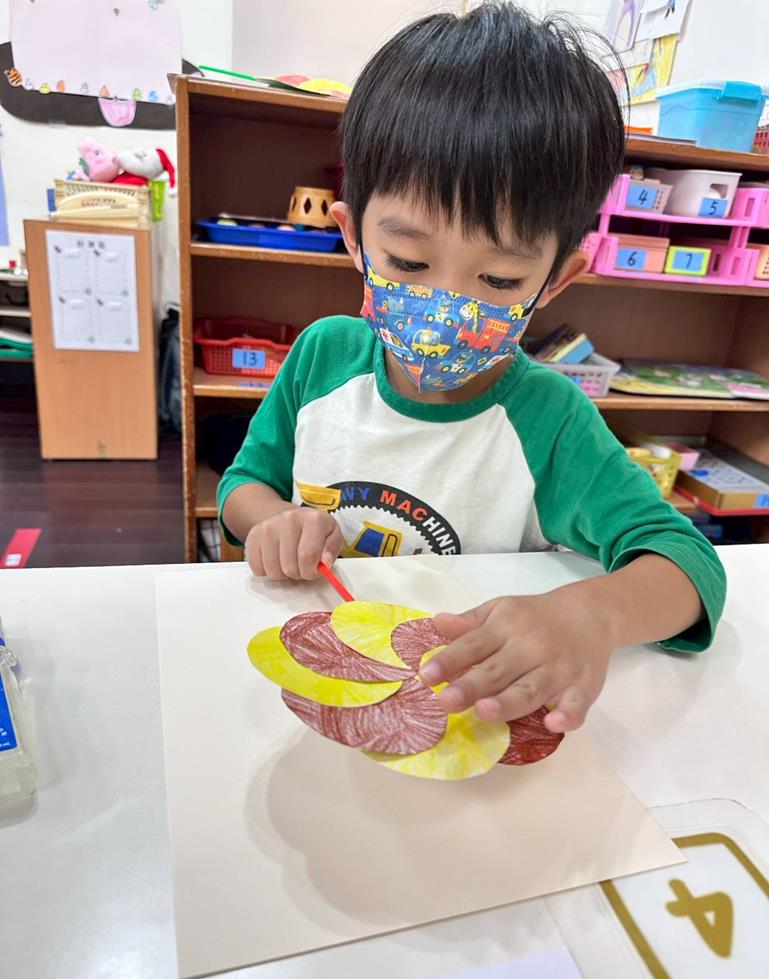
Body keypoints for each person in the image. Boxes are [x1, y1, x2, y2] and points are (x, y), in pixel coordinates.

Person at [218, 2, 726, 736]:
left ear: (554, 280)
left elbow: (689, 563)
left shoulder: (548, 420)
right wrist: (270, 520)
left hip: (464, 705)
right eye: (407, 262)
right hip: (322, 677)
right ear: (353, 237)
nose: (443, 310)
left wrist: (591, 613)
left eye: (497, 280)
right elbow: (243, 484)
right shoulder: (323, 357)